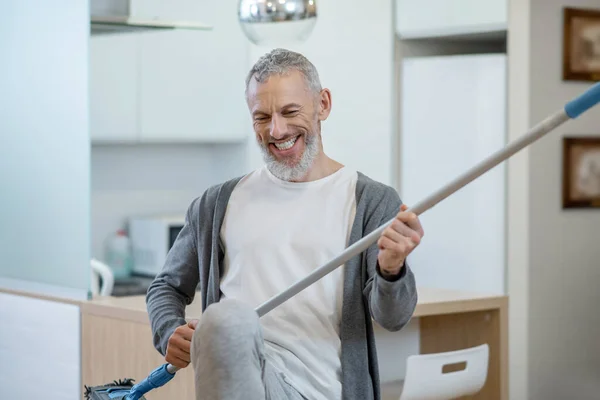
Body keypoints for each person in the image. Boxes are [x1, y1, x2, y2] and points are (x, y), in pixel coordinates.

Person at [146, 48, 423, 400]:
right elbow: (166, 286)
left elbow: (394, 318)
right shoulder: (218, 203)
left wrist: (391, 269)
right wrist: (169, 330)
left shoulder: (370, 201)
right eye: (262, 117)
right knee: (225, 322)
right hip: (247, 383)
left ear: (322, 104)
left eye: (290, 112)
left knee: (223, 320)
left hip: (325, 391)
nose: (277, 130)